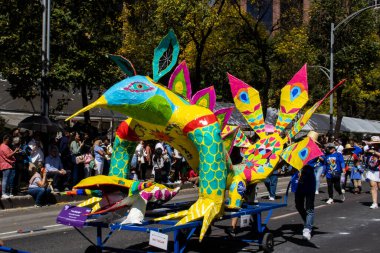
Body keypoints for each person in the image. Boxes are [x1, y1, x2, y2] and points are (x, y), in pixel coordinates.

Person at [294, 164, 316, 241]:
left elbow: (311, 167)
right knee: (298, 205)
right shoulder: (295, 158)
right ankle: (307, 222)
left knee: (309, 208)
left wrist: (303, 170)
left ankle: (307, 229)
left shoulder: (310, 157)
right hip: (298, 186)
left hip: (309, 186)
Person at [365, 139, 380, 209]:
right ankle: (374, 203)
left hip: (379, 170)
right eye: (373, 143)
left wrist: (375, 152)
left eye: (375, 143)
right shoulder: (369, 150)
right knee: (373, 186)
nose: (374, 144)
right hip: (372, 170)